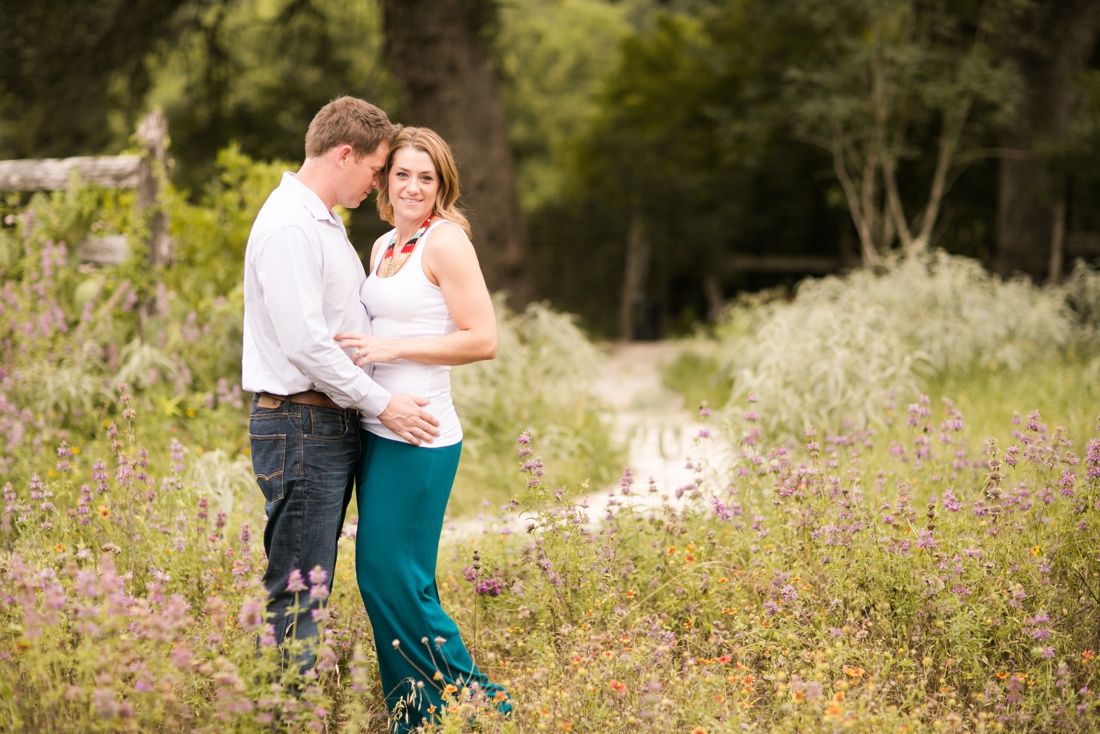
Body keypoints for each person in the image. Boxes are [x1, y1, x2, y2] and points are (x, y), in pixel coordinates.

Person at [242, 97, 441, 675]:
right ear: (345, 154)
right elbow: (306, 344)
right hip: (301, 424)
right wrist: (383, 403)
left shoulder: (323, 222)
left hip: (329, 423)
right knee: (300, 589)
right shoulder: (288, 225)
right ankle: (286, 714)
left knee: (315, 584)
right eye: (378, 169)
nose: (381, 182)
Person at [335, 126, 511, 731]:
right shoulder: (385, 244)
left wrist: (389, 345)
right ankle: (417, 714)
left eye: (426, 177)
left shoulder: (446, 242)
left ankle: (485, 705)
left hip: (423, 436)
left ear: (442, 186)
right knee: (387, 576)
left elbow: (482, 339)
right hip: (381, 429)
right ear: (385, 180)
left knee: (393, 577)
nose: (412, 187)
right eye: (402, 174)